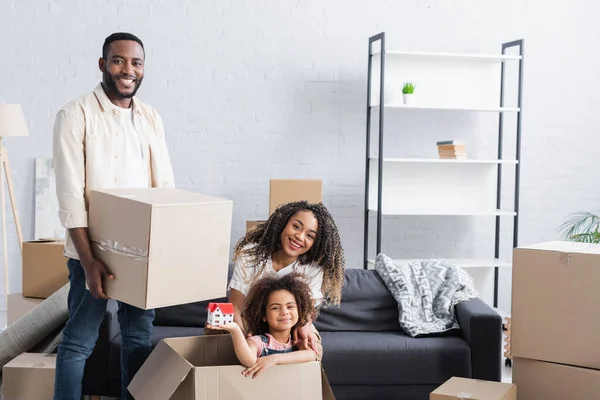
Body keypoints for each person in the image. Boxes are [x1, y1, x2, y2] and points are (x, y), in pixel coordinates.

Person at [52, 32, 174, 400]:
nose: (128, 70)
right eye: (119, 61)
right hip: (93, 251)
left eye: (136, 62)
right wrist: (88, 262)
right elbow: (71, 195)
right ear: (103, 64)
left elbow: (164, 186)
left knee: (138, 338)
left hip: (141, 251)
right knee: (78, 342)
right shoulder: (75, 114)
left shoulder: (151, 117)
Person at [226, 200, 346, 359]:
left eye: (310, 236)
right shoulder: (250, 255)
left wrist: (305, 325)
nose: (299, 237)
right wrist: (241, 335)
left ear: (315, 243)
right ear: (283, 223)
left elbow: (306, 310)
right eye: (296, 226)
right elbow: (234, 307)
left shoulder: (313, 268)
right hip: (249, 320)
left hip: (288, 322)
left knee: (312, 346)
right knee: (223, 339)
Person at [208, 273, 320, 378]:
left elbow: (312, 355)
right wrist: (235, 329)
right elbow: (249, 361)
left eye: (290, 307)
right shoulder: (258, 342)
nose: (284, 312)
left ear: (299, 311)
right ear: (264, 315)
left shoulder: (296, 342)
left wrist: (275, 359)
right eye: (275, 308)